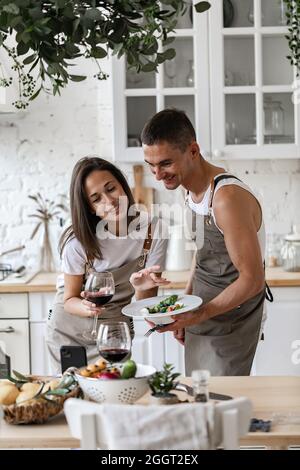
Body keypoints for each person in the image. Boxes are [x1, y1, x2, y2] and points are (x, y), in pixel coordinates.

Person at [141, 108, 270, 376]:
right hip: (201, 310)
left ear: (193, 150)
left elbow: (252, 279)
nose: (157, 174)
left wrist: (198, 313)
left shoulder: (225, 197)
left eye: (165, 163)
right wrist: (185, 307)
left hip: (232, 319)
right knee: (200, 399)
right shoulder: (188, 189)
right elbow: (201, 257)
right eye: (150, 165)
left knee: (221, 403)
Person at [46, 156, 169, 373]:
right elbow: (69, 300)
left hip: (114, 332)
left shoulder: (153, 231)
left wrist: (142, 289)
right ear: (90, 208)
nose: (109, 201)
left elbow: (144, 304)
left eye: (111, 188)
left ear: (122, 185)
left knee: (115, 394)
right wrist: (86, 307)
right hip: (70, 333)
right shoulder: (78, 242)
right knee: (73, 398)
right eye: (96, 199)